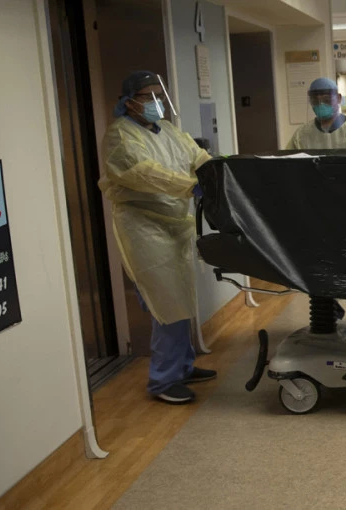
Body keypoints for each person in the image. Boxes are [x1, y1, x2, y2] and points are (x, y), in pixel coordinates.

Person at [99, 70, 216, 404]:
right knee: (164, 303)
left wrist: (216, 172)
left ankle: (182, 366)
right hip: (143, 226)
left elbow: (196, 156)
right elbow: (144, 173)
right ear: (129, 102)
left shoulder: (168, 130)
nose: (156, 102)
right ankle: (163, 381)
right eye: (148, 96)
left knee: (181, 299)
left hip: (175, 224)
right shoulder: (121, 136)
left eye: (159, 96)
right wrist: (189, 186)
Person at [287, 77, 346, 327]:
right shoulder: (303, 135)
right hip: (317, 209)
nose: (321, 103)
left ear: (338, 99)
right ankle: (328, 308)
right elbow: (286, 165)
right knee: (322, 261)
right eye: (315, 98)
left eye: (326, 97)